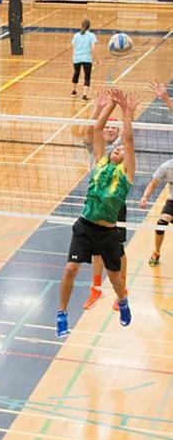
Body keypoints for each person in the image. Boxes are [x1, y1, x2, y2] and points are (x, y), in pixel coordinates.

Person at [57, 88, 135, 339]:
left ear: (125, 159)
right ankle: (62, 315)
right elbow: (97, 129)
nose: (118, 149)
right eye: (116, 148)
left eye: (121, 150)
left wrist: (126, 110)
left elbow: (129, 140)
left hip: (108, 233)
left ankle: (123, 302)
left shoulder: (126, 176)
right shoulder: (100, 160)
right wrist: (110, 104)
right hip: (85, 226)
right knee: (70, 269)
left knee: (114, 278)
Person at [80, 98, 126, 310]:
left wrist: (125, 108)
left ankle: (122, 291)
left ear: (117, 133)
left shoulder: (120, 149)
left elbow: (129, 134)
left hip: (115, 205)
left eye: (112, 128)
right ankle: (96, 288)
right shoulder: (95, 149)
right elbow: (89, 131)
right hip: (94, 204)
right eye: (106, 126)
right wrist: (99, 108)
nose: (108, 129)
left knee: (118, 250)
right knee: (96, 249)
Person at [139, 79, 173, 266]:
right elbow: (153, 183)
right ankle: (156, 252)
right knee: (161, 223)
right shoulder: (168, 166)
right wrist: (145, 197)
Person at [70, 18, 96, 101]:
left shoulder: (76, 35)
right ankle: (84, 95)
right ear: (89, 27)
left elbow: (73, 47)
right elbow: (93, 48)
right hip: (87, 59)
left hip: (76, 58)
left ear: (81, 26)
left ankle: (73, 91)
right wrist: (96, 59)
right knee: (87, 76)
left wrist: (74, 56)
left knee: (76, 73)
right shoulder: (91, 36)